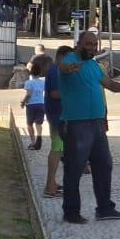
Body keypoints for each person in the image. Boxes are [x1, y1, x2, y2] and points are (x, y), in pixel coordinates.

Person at [58, 32, 120, 224]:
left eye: (94, 45)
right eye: (88, 44)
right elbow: (63, 68)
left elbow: (109, 84)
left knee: (104, 165)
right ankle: (71, 212)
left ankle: (104, 208)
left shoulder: (94, 65)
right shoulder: (70, 59)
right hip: (76, 124)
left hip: (96, 123)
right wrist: (70, 68)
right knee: (74, 169)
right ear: (79, 44)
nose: (92, 48)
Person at [43, 46, 73, 197]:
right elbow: (55, 93)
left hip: (58, 114)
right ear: (61, 56)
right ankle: (49, 187)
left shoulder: (56, 70)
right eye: (69, 57)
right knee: (57, 150)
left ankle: (52, 183)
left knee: (58, 149)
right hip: (57, 115)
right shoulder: (56, 71)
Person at [21, 64, 46, 150]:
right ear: (40, 73)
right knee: (39, 123)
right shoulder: (43, 82)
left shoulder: (28, 83)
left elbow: (29, 94)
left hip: (31, 105)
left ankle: (33, 142)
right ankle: (39, 138)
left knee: (29, 124)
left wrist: (23, 102)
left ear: (31, 73)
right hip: (41, 104)